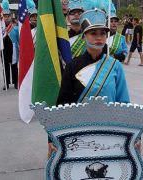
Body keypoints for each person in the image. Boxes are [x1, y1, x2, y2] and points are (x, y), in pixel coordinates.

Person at [50, 9, 131, 156]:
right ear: (83, 37)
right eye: (93, 33)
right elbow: (63, 102)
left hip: (109, 130)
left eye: (102, 33)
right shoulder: (72, 66)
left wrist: (132, 134)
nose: (98, 37)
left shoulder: (115, 66)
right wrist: (52, 138)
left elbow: (123, 101)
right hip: (80, 131)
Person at [1, 0, 17, 90]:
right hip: (4, 49)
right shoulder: (0, 29)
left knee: (14, 66)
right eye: (4, 16)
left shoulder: (15, 28)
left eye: (7, 16)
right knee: (5, 67)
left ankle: (15, 82)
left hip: (13, 48)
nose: (6, 18)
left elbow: (18, 40)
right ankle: (6, 83)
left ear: (10, 17)